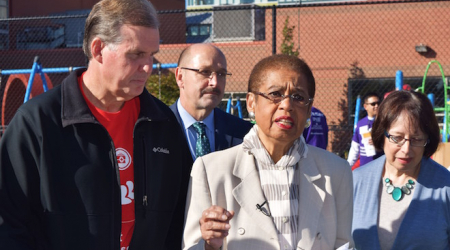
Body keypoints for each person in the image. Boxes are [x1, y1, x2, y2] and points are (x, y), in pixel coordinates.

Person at [0, 0, 190, 249]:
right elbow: (9, 225)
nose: (148, 67)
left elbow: (180, 217)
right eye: (136, 54)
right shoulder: (37, 123)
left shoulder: (162, 123)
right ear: (99, 49)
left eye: (152, 55)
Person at [183, 54, 354, 250]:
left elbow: (344, 244)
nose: (286, 105)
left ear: (308, 110)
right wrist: (209, 245)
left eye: (298, 97)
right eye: (275, 94)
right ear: (251, 103)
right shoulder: (211, 171)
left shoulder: (336, 171)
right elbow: (191, 245)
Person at [352, 90, 450, 249]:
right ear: (381, 134)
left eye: (417, 139)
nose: (406, 149)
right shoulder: (356, 181)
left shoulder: (446, 187)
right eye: (397, 138)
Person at [170, 43, 252, 162]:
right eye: (205, 72)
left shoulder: (244, 134)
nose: (215, 82)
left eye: (221, 74)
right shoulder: (154, 130)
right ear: (180, 77)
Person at [347, 92, 384, 168]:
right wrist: (347, 166)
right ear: (365, 106)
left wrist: (378, 143)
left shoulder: (384, 123)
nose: (376, 106)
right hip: (364, 166)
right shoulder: (361, 124)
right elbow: (355, 148)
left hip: (381, 166)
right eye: (373, 104)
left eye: (378, 103)